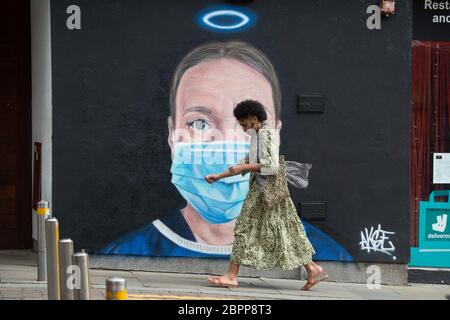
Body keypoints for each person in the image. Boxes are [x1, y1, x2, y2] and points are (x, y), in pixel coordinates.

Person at [99, 40, 352, 262]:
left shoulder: (330, 254)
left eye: (251, 125)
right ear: (172, 136)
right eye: (200, 123)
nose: (227, 143)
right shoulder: (126, 252)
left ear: (276, 135)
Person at [204, 100, 327, 290]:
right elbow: (248, 162)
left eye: (244, 124)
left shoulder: (266, 135)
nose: (244, 128)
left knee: (245, 227)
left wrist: (244, 167)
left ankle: (231, 275)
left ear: (254, 119)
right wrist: (219, 176)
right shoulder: (259, 135)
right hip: (269, 191)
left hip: (265, 191)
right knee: (285, 229)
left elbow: (271, 166)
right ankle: (311, 267)